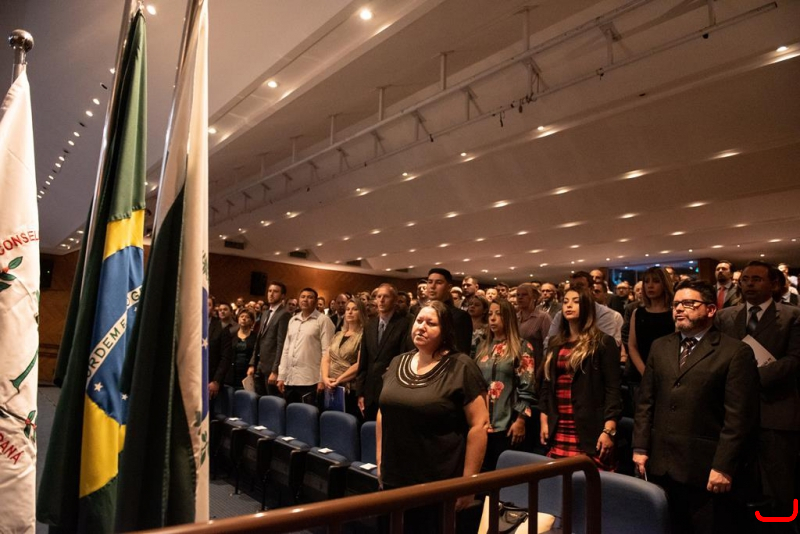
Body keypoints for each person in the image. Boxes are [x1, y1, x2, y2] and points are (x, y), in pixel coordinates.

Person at [633, 279, 760, 534]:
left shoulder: (735, 351)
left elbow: (738, 418)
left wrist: (724, 466)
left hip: (704, 468)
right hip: (661, 463)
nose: (679, 309)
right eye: (676, 304)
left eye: (689, 303)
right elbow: (646, 401)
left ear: (710, 309)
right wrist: (640, 447)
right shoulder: (660, 346)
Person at [377, 301, 489, 531]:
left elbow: (479, 425)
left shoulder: (461, 366)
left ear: (445, 331)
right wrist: (380, 464)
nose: (422, 327)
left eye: (431, 323)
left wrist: (469, 483)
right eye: (419, 321)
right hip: (394, 478)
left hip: (438, 483)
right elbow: (383, 414)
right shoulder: (398, 362)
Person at [716, 261, 800, 529]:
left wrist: (750, 379)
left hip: (775, 410)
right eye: (746, 279)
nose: (749, 284)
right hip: (733, 412)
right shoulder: (725, 317)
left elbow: (794, 359)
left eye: (757, 279)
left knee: (779, 484)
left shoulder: (792, 316)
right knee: (738, 483)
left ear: (774, 284)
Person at [539, 288, 622, 471]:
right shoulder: (555, 342)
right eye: (566, 302)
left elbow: (613, 389)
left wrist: (609, 429)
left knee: (589, 481)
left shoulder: (603, 342)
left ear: (587, 306)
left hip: (590, 425)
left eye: (575, 301)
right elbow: (547, 384)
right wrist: (544, 419)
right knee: (559, 480)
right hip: (559, 422)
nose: (569, 305)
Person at [475, 300, 536, 471]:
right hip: (482, 423)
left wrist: (521, 420)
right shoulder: (482, 347)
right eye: (490, 314)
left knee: (504, 474)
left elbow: (527, 387)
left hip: (507, 423)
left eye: (498, 314)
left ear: (508, 317)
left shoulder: (521, 346)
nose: (493, 318)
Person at [355, 283, 414, 421]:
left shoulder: (404, 324)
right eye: (378, 296)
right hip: (369, 392)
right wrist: (360, 393)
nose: (381, 300)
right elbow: (364, 361)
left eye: (385, 297)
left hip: (391, 391)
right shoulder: (370, 325)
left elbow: (404, 357)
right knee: (368, 429)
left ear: (394, 300)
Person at [277, 288, 335, 405]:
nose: (305, 299)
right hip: (290, 378)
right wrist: (281, 375)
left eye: (310, 297)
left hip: (311, 380)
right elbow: (286, 349)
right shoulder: (293, 320)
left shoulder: (323, 320)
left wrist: (322, 379)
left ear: (315, 301)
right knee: (290, 412)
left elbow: (327, 352)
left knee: (308, 414)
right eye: (303, 297)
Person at [546, 271, 623, 350]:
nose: (575, 289)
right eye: (572, 286)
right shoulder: (562, 314)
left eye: (580, 285)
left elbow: (602, 346)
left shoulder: (605, 314)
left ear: (591, 289)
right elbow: (549, 342)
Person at [626, 267, 675, 387]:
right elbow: (632, 346)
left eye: (656, 281)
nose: (650, 286)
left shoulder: (674, 313)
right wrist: (646, 373)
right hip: (640, 374)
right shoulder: (637, 313)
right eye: (646, 282)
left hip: (668, 374)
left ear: (665, 284)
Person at [321, 298, 365, 418]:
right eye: (348, 309)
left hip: (350, 387)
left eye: (354, 309)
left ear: (361, 312)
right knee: (331, 419)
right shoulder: (338, 334)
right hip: (331, 385)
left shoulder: (364, 336)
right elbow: (326, 358)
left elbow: (359, 364)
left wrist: (339, 380)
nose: (350, 312)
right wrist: (325, 378)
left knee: (348, 421)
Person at [247, 282, 291, 396]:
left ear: (282, 296)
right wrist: (252, 364)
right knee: (257, 399)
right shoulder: (265, 313)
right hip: (259, 366)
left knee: (271, 401)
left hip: (271, 368)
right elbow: (259, 341)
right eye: (269, 291)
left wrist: (275, 371)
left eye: (275, 291)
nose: (271, 294)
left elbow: (281, 345)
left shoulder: (284, 314)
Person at [427, 268, 473, 354]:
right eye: (430, 282)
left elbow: (461, 353)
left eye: (438, 282)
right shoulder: (421, 312)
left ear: (449, 287)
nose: (432, 286)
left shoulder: (459, 316)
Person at [515, 283, 551, 366]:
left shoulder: (543, 317)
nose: (520, 297)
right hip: (516, 364)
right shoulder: (515, 318)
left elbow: (549, 346)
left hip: (536, 364)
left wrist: (542, 368)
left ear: (534, 297)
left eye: (524, 294)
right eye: (518, 295)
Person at [207, 296, 233, 401]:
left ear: (213, 308)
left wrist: (216, 381)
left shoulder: (221, 327)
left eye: (208, 305)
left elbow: (225, 357)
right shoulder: (192, 326)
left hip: (210, 379)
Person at [227, 309, 257, 390]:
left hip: (248, 371)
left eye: (247, 317)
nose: (244, 319)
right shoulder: (231, 334)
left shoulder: (255, 337)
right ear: (238, 319)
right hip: (232, 371)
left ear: (252, 321)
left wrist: (252, 366)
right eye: (241, 316)